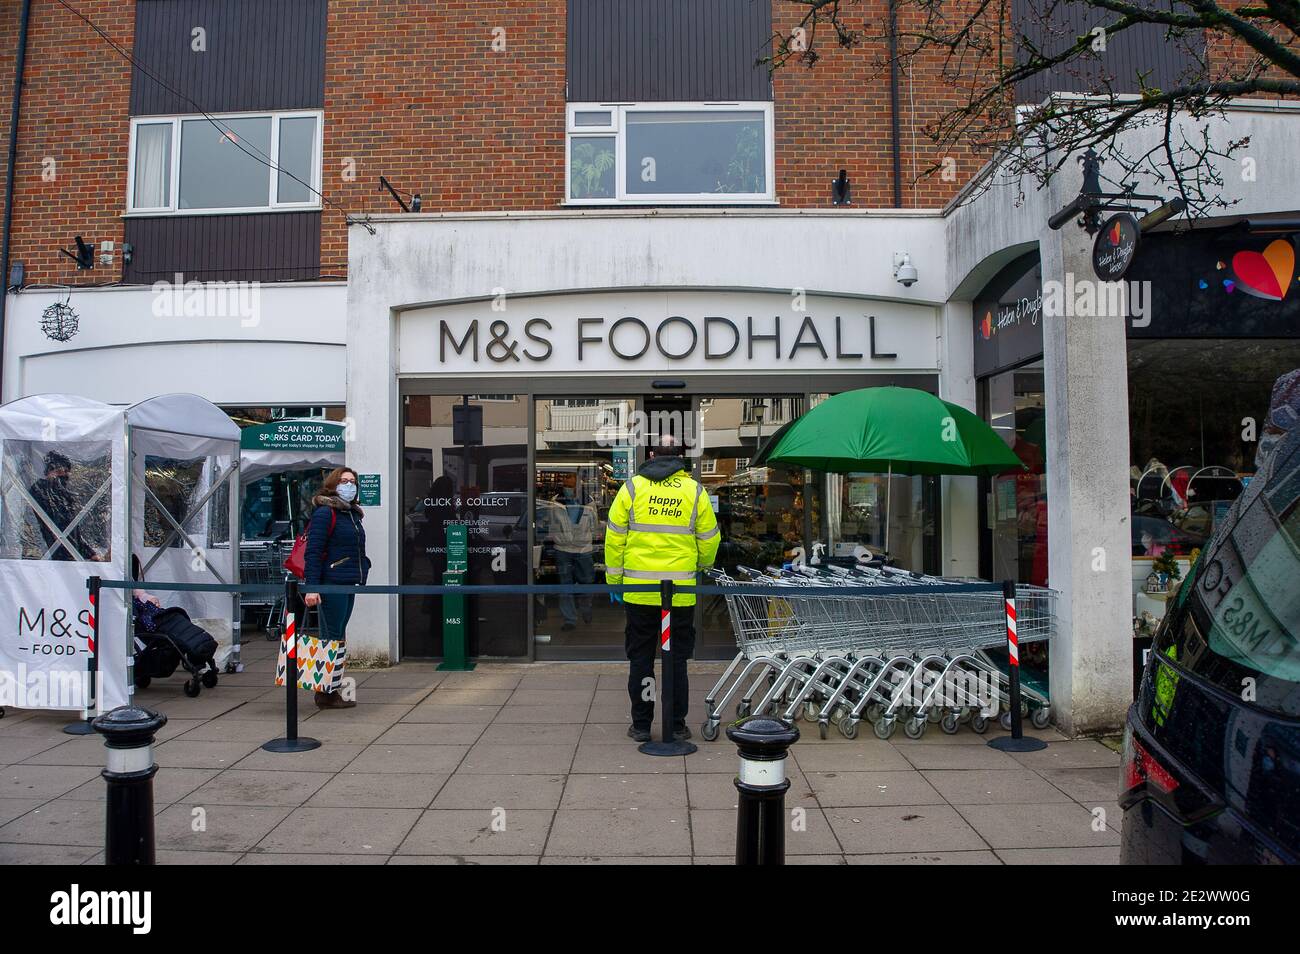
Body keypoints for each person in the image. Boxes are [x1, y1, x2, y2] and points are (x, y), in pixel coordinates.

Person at [604, 435, 720, 743]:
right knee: (677, 658)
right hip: (680, 591)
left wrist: (614, 580)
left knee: (641, 657)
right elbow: (709, 539)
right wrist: (700, 569)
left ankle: (642, 725)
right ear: (680, 457)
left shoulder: (631, 488)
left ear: (652, 454)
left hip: (639, 590)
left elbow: (614, 538)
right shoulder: (694, 490)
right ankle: (677, 724)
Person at [303, 466, 371, 710]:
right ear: (333, 484)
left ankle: (330, 688)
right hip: (332, 583)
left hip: (347, 582)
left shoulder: (351, 514)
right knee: (331, 638)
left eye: (353, 481)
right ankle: (325, 692)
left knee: (338, 636)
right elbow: (313, 552)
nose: (349, 485)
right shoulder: (325, 513)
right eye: (344, 481)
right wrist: (312, 587)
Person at [28, 451, 103, 561]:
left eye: (67, 471)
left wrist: (90, 553)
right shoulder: (40, 489)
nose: (66, 475)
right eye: (61, 471)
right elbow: (53, 526)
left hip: (65, 552)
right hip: (51, 553)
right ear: (50, 470)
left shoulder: (64, 495)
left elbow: (73, 530)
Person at [549, 475, 598, 630]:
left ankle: (586, 609)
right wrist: (559, 538)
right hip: (563, 548)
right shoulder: (556, 502)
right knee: (565, 585)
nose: (568, 489)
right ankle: (569, 619)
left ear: (578, 487)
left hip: (583, 548)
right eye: (566, 486)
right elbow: (552, 523)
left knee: (587, 582)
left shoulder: (588, 502)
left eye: (570, 486)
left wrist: (588, 537)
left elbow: (594, 523)